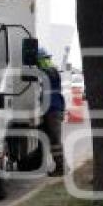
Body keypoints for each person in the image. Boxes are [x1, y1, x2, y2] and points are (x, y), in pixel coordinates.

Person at [37, 48, 66, 177]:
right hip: (53, 107)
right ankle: (61, 165)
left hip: (53, 108)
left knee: (55, 140)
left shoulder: (48, 71)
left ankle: (61, 167)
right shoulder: (52, 70)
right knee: (53, 139)